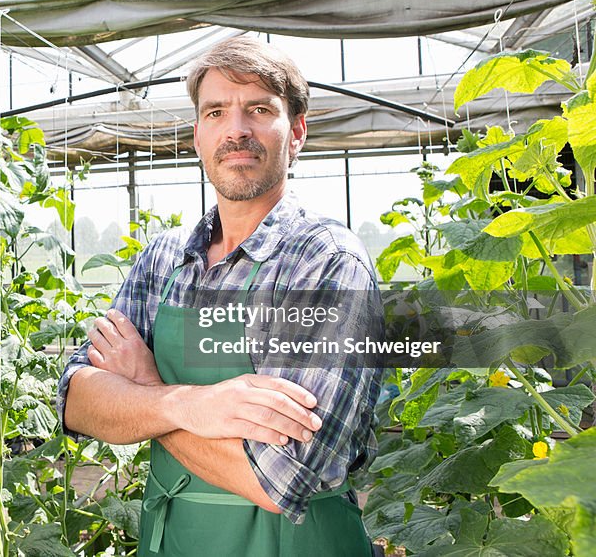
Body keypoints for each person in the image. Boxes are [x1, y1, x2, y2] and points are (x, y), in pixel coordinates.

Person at [57, 35, 381, 556]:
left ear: (295, 131)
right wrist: (190, 403)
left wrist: (143, 385)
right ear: (197, 135)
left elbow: (280, 479)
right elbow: (75, 398)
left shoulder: (324, 263)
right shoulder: (163, 259)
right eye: (215, 112)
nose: (236, 130)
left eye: (258, 108)